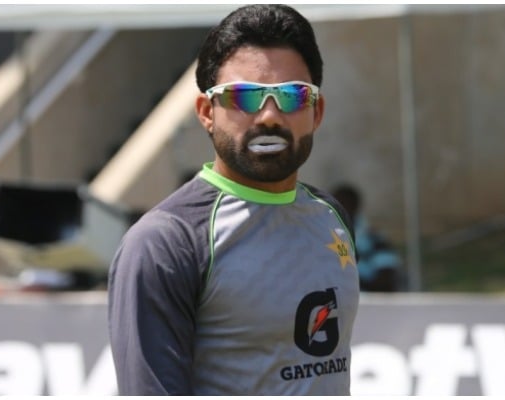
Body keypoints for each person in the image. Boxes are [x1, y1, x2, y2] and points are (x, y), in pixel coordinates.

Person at [108, 5, 359, 396]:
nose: (270, 116)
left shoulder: (332, 217)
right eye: (244, 96)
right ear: (207, 112)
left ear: (316, 111)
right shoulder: (164, 243)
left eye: (292, 95)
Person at [331, 184, 403, 292]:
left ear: (354, 206)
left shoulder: (374, 238)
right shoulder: (322, 237)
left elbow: (387, 276)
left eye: (341, 204)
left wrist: (349, 283)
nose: (333, 210)